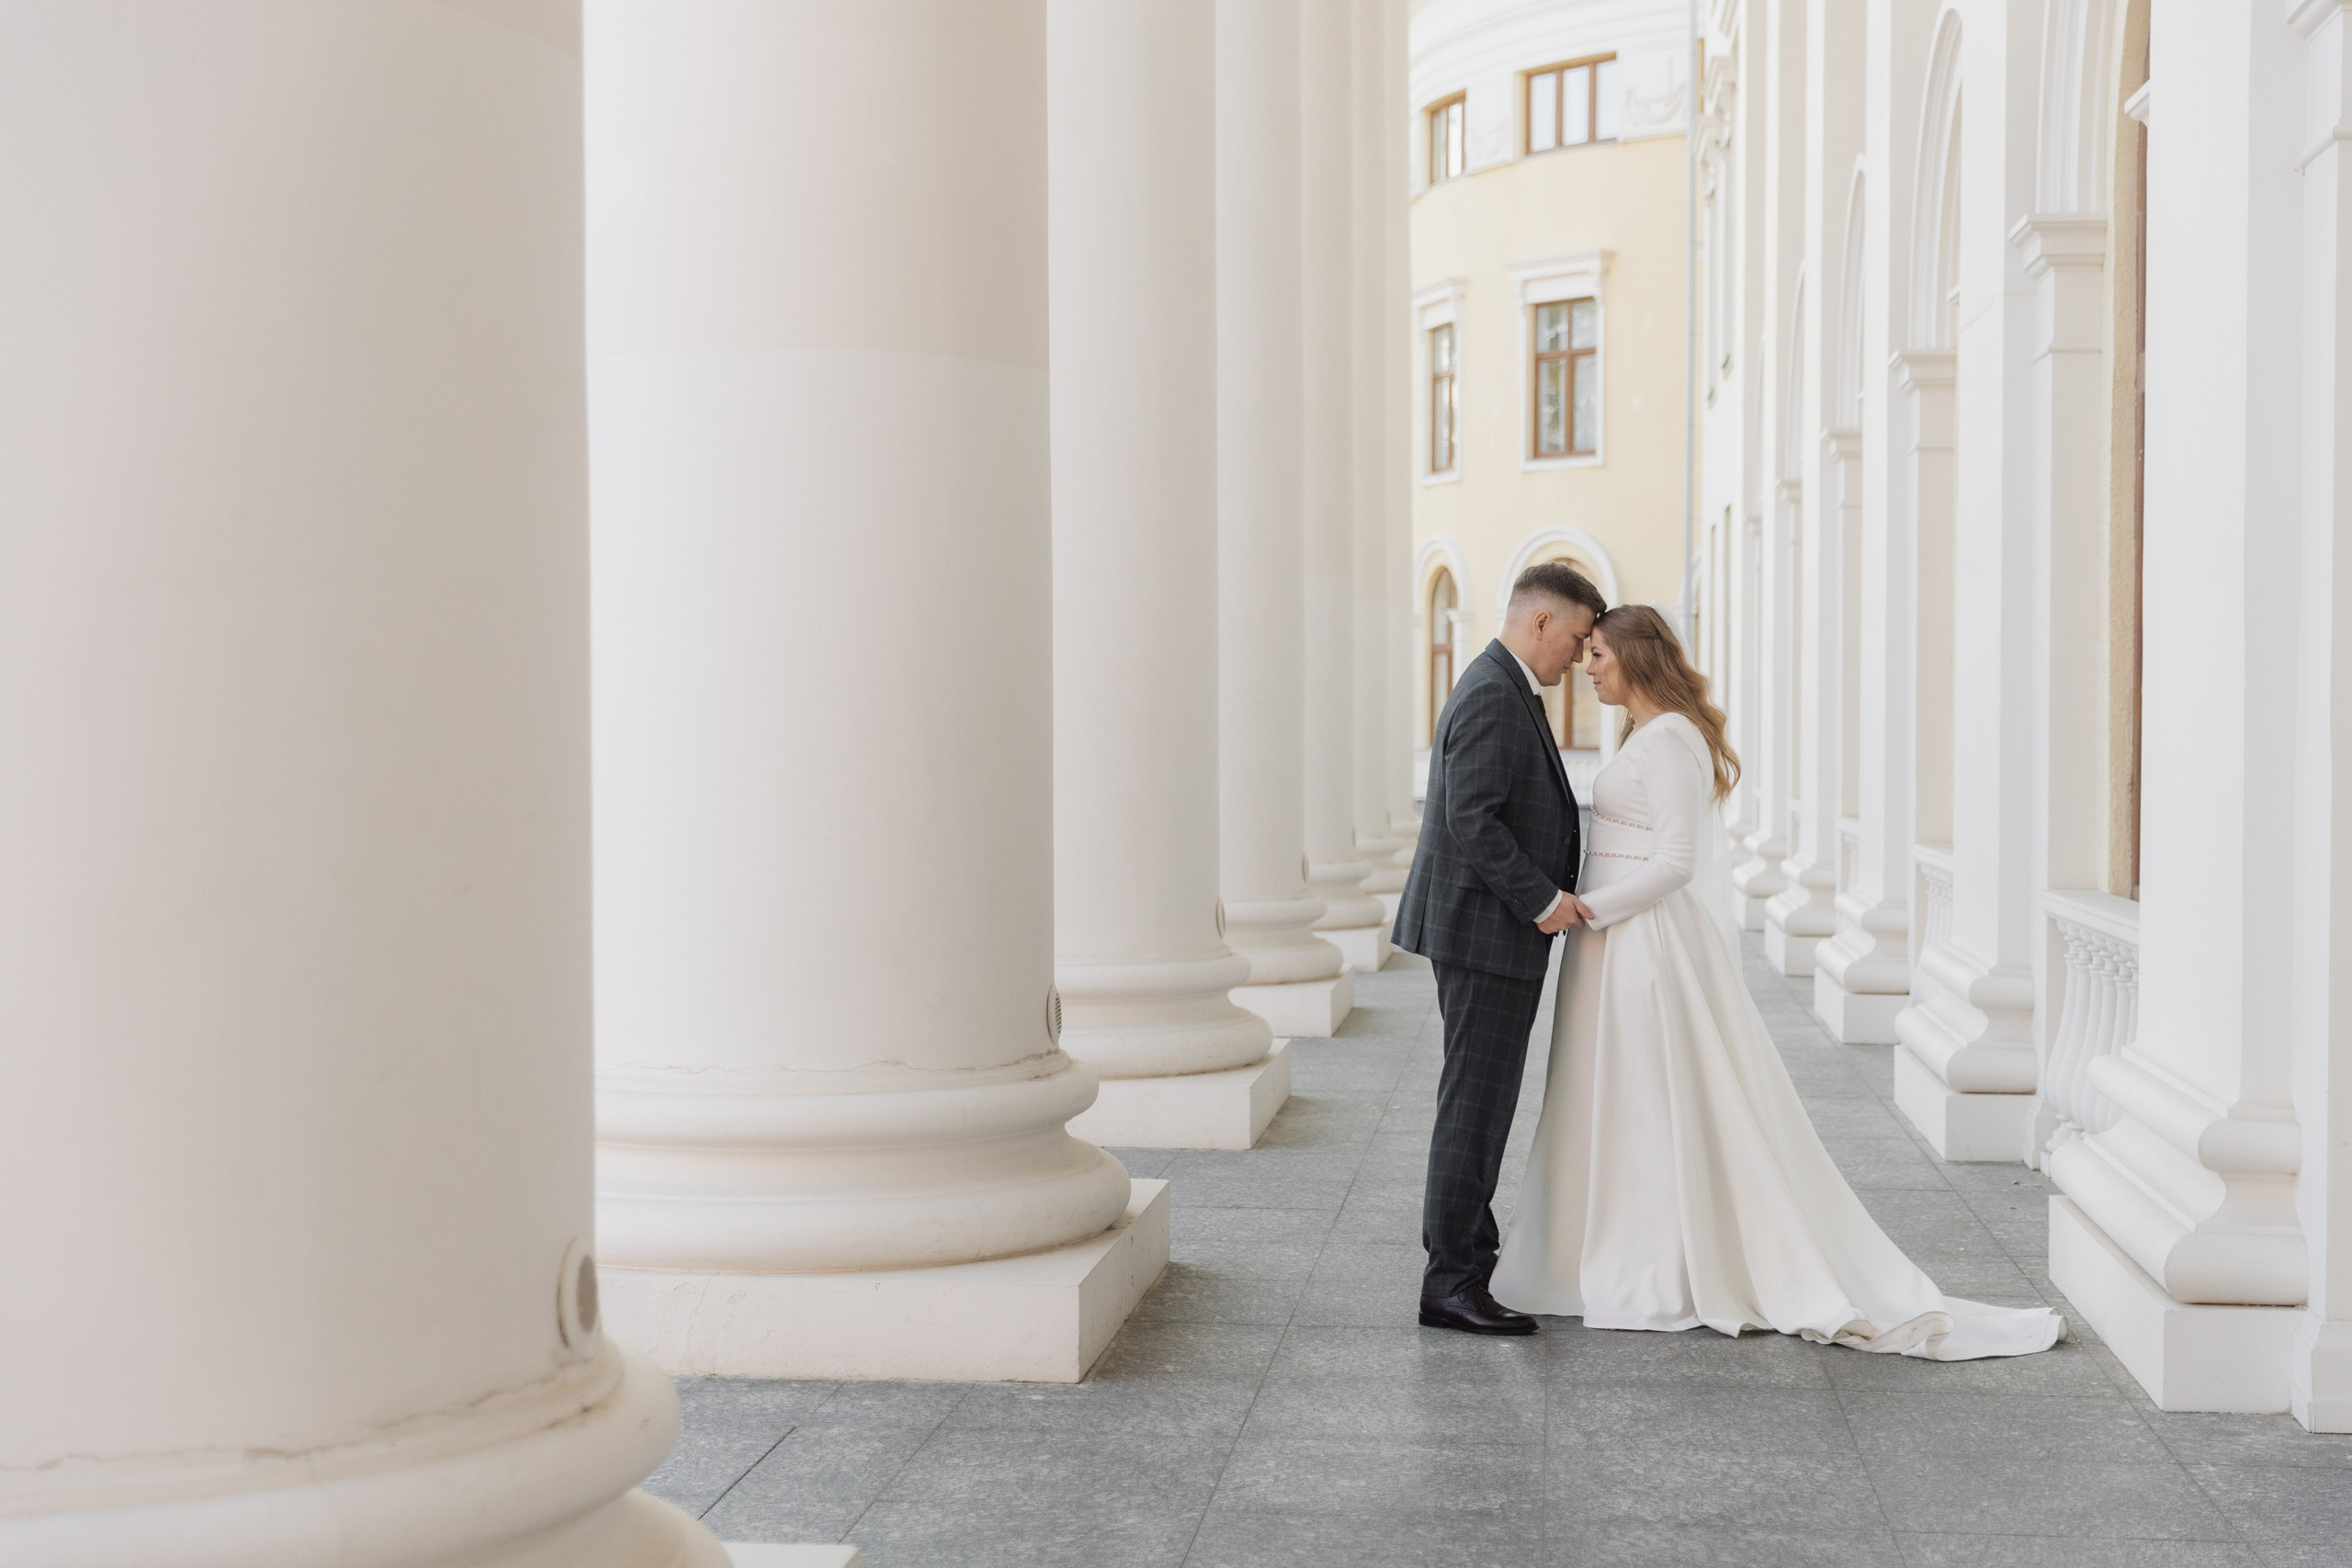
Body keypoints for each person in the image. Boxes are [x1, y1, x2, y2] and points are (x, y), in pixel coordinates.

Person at [1488, 604, 2064, 1359]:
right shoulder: (1647, 733)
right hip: (1611, 942)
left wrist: (1584, 908)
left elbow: (1676, 862)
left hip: (1638, 942)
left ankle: (1656, 1259)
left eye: (1598, 653)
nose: (1588, 665)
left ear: (1633, 656)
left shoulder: (1667, 740)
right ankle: (1605, 1242)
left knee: (1645, 1093)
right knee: (1611, 1093)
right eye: (1586, 651)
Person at [1393, 560, 1608, 1336]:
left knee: (1480, 1106)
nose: (1581, 660)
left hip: (1488, 933)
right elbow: (1471, 820)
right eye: (1579, 638)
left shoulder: (1505, 683)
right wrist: (1545, 899)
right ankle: (1448, 1281)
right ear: (1541, 621)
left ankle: (1470, 1262)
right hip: (1487, 934)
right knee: (1475, 1109)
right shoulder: (1491, 690)